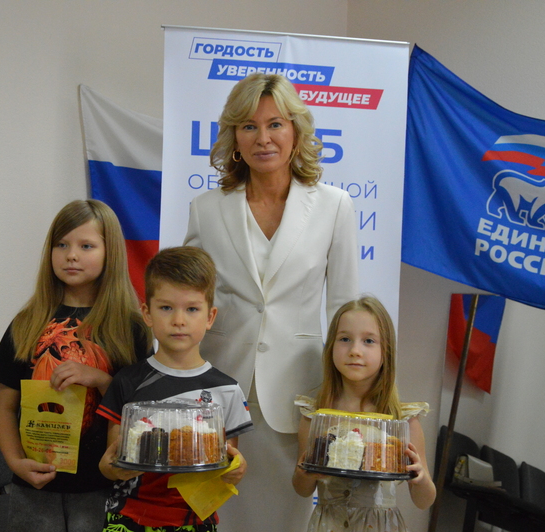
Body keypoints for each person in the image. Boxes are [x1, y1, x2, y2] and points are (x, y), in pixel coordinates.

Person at [183, 72, 359, 530]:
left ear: (296, 132)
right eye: (249, 126)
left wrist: (344, 396)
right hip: (218, 393)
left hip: (298, 397)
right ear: (235, 139)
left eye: (275, 124)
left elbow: (344, 310)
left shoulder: (334, 206)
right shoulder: (206, 208)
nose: (263, 138)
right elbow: (188, 302)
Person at [0, 199, 151, 532]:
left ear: (110, 253)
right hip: (35, 487)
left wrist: (101, 379)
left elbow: (140, 412)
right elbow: (4, 408)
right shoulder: (27, 323)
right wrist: (16, 462)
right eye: (61, 245)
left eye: (86, 246)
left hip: (102, 487)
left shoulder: (129, 327)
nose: (71, 255)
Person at [97, 246, 253, 532]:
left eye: (192, 309)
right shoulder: (127, 381)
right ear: (147, 313)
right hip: (129, 517)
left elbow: (225, 464)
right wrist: (111, 467)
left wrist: (237, 469)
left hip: (195, 520)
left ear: (210, 316)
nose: (179, 320)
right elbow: (111, 464)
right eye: (166, 308)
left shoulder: (228, 390)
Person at [292, 296, 436, 532]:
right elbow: (302, 489)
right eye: (345, 339)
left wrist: (420, 477)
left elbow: (424, 501)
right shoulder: (315, 415)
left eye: (369, 341)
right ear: (331, 347)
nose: (355, 351)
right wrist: (305, 473)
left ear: (386, 351)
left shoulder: (403, 420)